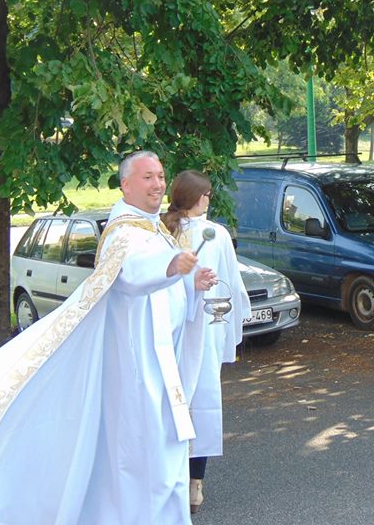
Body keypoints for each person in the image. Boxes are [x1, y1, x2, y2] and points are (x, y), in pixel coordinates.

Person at [0, 151, 216, 525]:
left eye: (161, 176)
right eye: (148, 177)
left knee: (163, 452)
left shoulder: (152, 228)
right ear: (125, 185)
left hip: (160, 362)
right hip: (137, 368)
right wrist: (169, 266)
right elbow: (131, 273)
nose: (158, 184)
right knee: (142, 456)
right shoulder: (124, 232)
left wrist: (191, 285)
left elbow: (162, 293)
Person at [161, 170, 252, 514]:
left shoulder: (162, 230)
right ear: (199, 197)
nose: (209, 200)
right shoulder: (209, 234)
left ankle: (175, 480)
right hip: (201, 329)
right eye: (208, 194)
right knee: (200, 402)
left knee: (175, 401)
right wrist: (232, 327)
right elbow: (230, 283)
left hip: (171, 330)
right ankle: (194, 484)